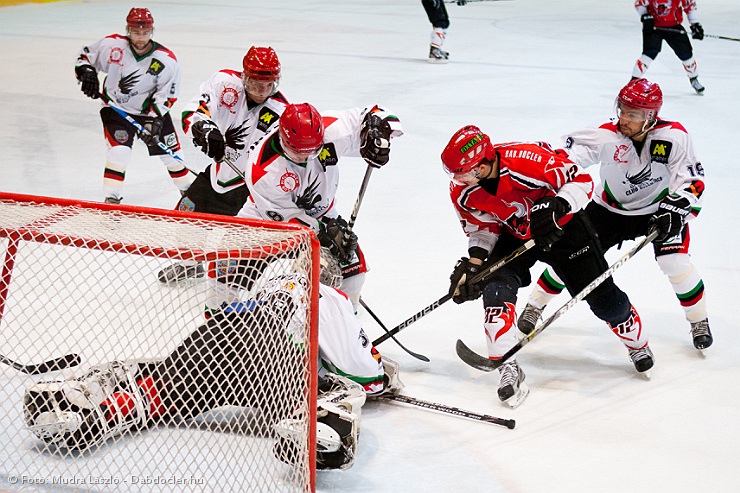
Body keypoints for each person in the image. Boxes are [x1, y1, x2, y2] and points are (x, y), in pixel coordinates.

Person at [23, 248, 403, 471]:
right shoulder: (328, 296)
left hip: (218, 336)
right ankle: (321, 427)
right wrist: (385, 374)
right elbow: (362, 372)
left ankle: (96, 408)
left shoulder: (268, 281)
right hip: (274, 365)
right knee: (340, 388)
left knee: (160, 393)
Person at [442, 126, 653, 409]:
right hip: (515, 236)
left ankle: (637, 343)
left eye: (464, 172)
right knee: (495, 293)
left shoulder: (526, 160)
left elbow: (581, 180)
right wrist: (475, 263)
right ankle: (507, 366)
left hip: (565, 231)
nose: (459, 180)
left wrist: (559, 204)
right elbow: (482, 228)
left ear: (482, 164)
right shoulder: (462, 190)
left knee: (606, 303)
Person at [518, 78, 711, 352]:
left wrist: (679, 204)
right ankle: (534, 305)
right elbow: (569, 154)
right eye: (621, 109)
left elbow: (692, 178)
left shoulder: (674, 137)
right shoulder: (607, 135)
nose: (623, 118)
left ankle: (698, 320)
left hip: (657, 212)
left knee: (675, 263)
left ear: (650, 116)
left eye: (632, 114)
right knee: (574, 257)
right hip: (608, 211)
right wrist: (550, 170)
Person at [225, 102, 403, 312]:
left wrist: (375, 132)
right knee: (228, 263)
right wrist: (326, 234)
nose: (306, 158)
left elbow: (379, 113)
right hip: (266, 215)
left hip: (324, 213)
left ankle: (347, 320)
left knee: (353, 271)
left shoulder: (331, 130)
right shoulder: (262, 171)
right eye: (298, 152)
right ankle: (222, 315)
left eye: (313, 151)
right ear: (283, 140)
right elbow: (289, 222)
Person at [157, 46, 288, 283]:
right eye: (257, 83)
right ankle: (191, 263)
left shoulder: (280, 113)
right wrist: (204, 128)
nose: (263, 90)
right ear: (244, 76)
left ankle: (233, 290)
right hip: (219, 175)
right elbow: (195, 110)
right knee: (185, 217)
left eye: (269, 84)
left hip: (250, 190)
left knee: (237, 247)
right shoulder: (224, 84)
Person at [74, 7, 193, 204]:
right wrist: (86, 72)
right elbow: (85, 56)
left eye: (145, 33)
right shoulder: (112, 45)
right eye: (136, 32)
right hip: (116, 110)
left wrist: (154, 122)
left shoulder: (166, 60)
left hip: (150, 113)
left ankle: (189, 195)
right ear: (128, 30)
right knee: (119, 152)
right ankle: (112, 201)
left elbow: (169, 95)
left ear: (152, 31)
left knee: (172, 157)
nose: (140, 37)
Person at [632, 0, 705, 94]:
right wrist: (645, 16)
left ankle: (694, 79)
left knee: (686, 54)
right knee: (650, 52)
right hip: (653, 26)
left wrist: (695, 24)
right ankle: (633, 81)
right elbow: (639, 4)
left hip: (674, 25)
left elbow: (690, 6)